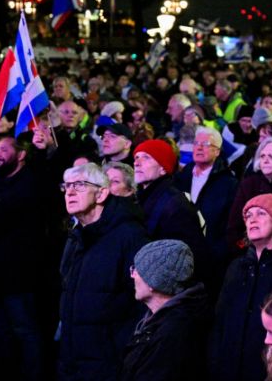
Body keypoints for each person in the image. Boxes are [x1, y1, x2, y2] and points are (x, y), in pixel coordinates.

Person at [57, 163, 148, 381]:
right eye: (67, 186)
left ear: (101, 194)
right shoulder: (76, 235)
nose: (69, 191)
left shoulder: (130, 235)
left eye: (79, 185)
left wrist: (119, 351)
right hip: (72, 356)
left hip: (109, 361)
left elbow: (141, 302)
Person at [0, 136, 46, 381]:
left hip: (17, 276)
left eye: (3, 149)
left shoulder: (29, 183)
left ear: (21, 155)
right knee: (0, 332)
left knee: (24, 330)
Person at [208, 194, 272, 381]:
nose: (252, 219)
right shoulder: (236, 267)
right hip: (227, 369)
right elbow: (219, 321)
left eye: (261, 214)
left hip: (266, 369)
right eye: (248, 216)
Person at [122, 240, 211, 381]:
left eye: (137, 270)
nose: (132, 275)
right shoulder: (158, 321)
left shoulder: (174, 331)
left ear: (153, 281)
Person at [132, 139, 211, 283]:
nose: (137, 162)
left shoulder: (175, 204)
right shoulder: (142, 198)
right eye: (136, 157)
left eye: (146, 157)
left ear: (163, 168)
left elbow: (190, 259)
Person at [174, 126, 238, 276]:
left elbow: (230, 223)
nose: (199, 148)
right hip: (181, 252)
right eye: (196, 143)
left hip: (211, 257)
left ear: (217, 151)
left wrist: (218, 251)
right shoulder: (182, 176)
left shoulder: (229, 183)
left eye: (206, 144)